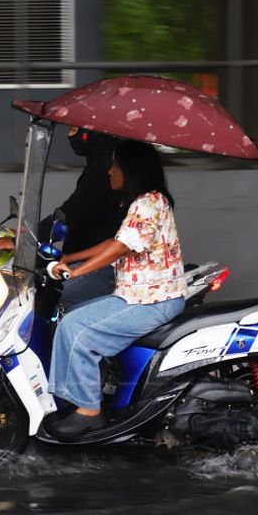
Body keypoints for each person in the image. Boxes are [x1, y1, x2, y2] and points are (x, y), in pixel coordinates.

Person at [45, 140, 187, 438]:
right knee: (72, 315)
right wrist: (71, 257)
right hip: (138, 296)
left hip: (151, 300)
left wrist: (75, 273)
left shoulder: (149, 203)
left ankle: (89, 412)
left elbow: (120, 247)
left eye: (115, 165)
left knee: (75, 328)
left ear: (129, 169)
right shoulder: (142, 202)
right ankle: (89, 395)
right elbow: (115, 241)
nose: (110, 172)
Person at [0, 126, 125, 309]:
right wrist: (30, 235)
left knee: (41, 301)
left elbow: (72, 214)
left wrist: (23, 241)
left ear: (91, 132)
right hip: (86, 261)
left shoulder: (103, 167)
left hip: (101, 269)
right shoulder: (101, 163)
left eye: (74, 128)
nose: (71, 135)